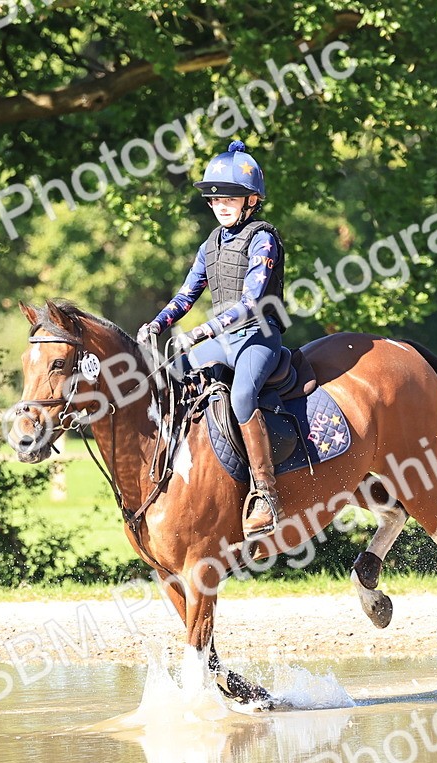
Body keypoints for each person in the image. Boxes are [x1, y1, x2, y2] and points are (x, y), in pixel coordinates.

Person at [137, 140, 287, 543]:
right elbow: (187, 295)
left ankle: (265, 494)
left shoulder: (263, 239)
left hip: (259, 337)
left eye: (231, 197)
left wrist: (205, 330)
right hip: (222, 338)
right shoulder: (212, 244)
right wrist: (156, 323)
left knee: (241, 398)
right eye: (216, 197)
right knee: (172, 374)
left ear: (251, 200)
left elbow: (253, 301)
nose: (221, 204)